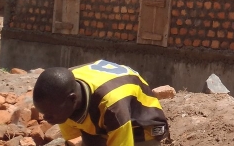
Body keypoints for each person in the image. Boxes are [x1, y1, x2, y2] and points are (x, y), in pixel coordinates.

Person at [33, 60, 169, 146]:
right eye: (44, 113)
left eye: (51, 114)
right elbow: (74, 139)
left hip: (143, 125)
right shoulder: (64, 94)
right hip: (104, 121)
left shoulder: (113, 107)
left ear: (73, 99)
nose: (46, 118)